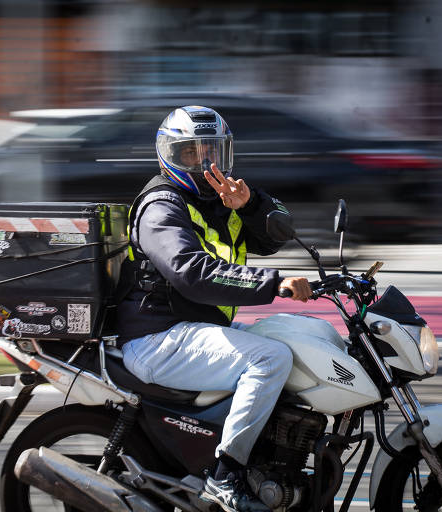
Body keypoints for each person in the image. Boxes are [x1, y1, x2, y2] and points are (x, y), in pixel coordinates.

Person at [116, 105, 312, 512]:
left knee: (302, 336)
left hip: (193, 330)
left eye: (212, 152)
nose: (205, 161)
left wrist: (251, 203)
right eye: (192, 153)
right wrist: (275, 284)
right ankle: (225, 476)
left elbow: (277, 233)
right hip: (158, 337)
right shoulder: (161, 207)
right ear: (170, 155)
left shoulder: (222, 202)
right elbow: (191, 273)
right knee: (270, 358)